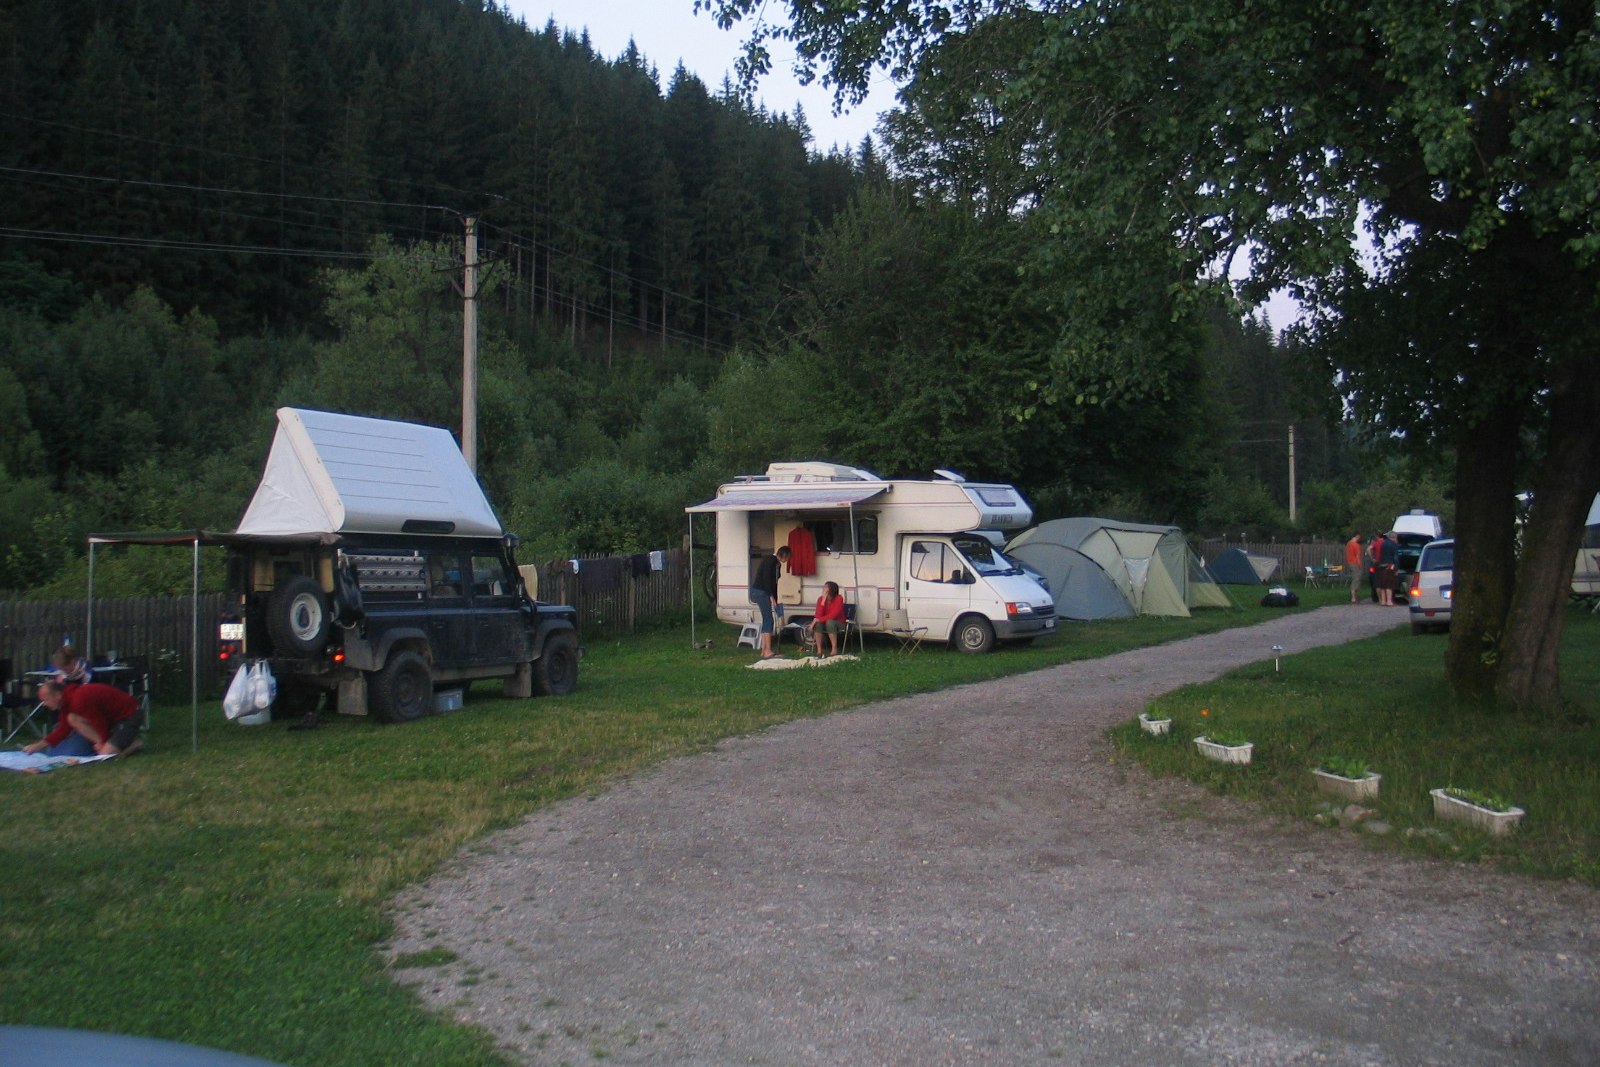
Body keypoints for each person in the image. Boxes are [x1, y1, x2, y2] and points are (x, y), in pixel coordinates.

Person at [21, 679, 145, 758]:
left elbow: (98, 722)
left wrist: (102, 742)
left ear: (57, 695)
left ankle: (134, 745)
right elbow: (62, 730)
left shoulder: (78, 700)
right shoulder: (66, 702)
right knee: (72, 718)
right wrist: (37, 746)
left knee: (105, 755)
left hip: (129, 715)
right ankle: (108, 743)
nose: (45, 704)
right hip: (112, 718)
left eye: (45, 700)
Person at [749, 545, 792, 659]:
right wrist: (771, 597)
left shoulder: (777, 564)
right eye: (788, 557)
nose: (788, 560)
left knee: (767, 618)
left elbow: (775, 584)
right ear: (783, 555)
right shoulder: (770, 561)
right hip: (760, 591)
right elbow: (767, 579)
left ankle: (764, 650)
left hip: (764, 592)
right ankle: (767, 650)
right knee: (768, 619)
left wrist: (776, 600)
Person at [808, 581, 847, 658]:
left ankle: (834, 649)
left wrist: (817, 620)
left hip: (839, 623)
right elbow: (818, 615)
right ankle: (819, 650)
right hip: (825, 622)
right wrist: (823, 601)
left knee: (830, 622)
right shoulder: (820, 599)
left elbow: (834, 615)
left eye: (826, 587)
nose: (823, 589)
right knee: (818, 624)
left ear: (831, 589)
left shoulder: (839, 598)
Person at [1377, 530, 1400, 606]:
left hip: (1382, 565)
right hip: (1390, 565)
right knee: (1389, 584)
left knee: (1383, 584)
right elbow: (1395, 557)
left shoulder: (1383, 544)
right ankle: (1389, 601)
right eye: (1396, 537)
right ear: (1394, 537)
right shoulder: (1394, 544)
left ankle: (1383, 601)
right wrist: (1396, 568)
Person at [1344, 532, 1365, 604]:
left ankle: (1355, 596)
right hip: (1355, 563)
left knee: (1355, 578)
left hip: (1350, 562)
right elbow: (1357, 556)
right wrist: (1360, 565)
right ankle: (1353, 597)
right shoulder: (1356, 545)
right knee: (1356, 579)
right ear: (1357, 536)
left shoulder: (1348, 543)